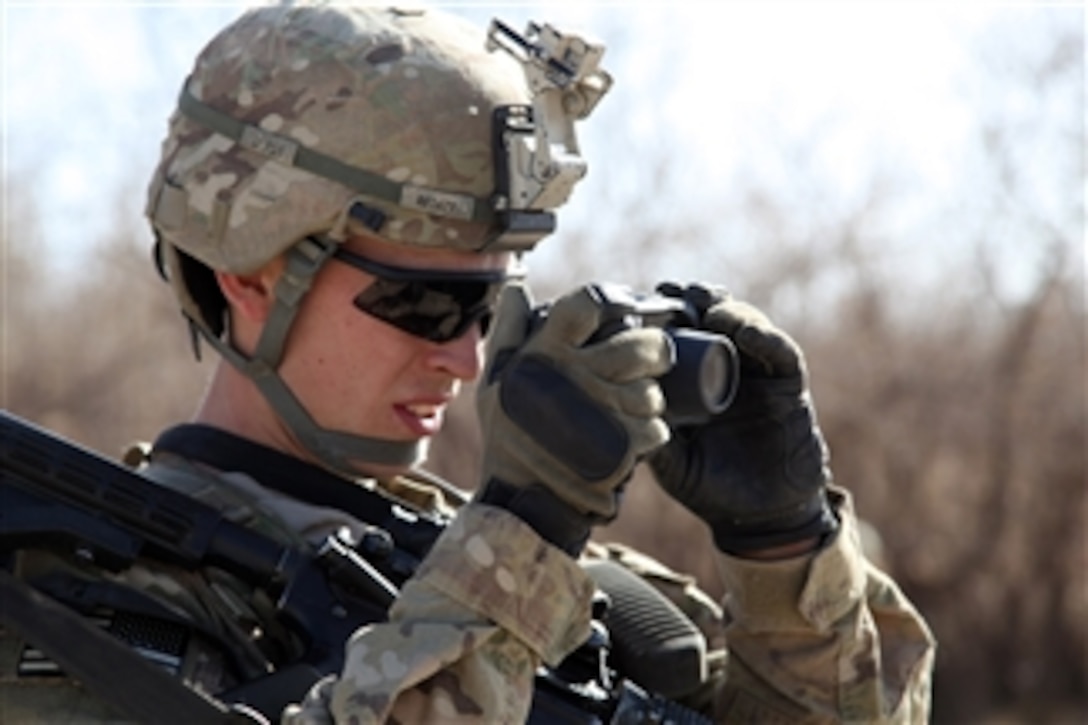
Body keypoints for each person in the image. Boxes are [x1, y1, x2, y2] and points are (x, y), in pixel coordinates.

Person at [0, 2, 935, 723]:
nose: (467, 352)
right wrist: (520, 536)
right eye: (423, 302)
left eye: (490, 302)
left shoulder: (526, 571)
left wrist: (783, 546)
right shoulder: (74, 607)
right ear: (248, 270)